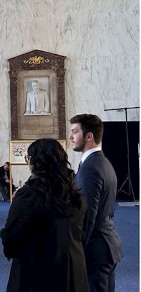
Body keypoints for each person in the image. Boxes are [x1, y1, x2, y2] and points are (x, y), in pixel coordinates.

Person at [0, 139, 87, 292]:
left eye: (29, 159)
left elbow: (11, 238)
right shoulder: (75, 194)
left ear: (35, 162)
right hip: (73, 272)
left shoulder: (29, 195)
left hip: (37, 274)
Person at [70, 114, 123, 292]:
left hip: (95, 250)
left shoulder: (90, 168)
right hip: (106, 246)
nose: (71, 136)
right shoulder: (104, 162)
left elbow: (87, 215)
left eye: (75, 132)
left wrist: (78, 251)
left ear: (89, 136)